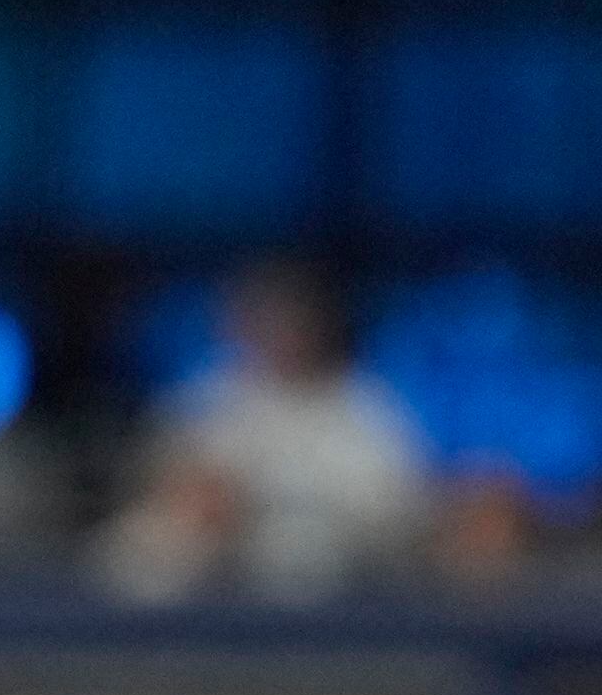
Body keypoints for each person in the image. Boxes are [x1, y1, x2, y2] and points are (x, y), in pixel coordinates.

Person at [95, 258, 433, 603]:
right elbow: (160, 471)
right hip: (214, 563)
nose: (277, 332)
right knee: (147, 543)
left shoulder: (363, 405)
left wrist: (252, 502)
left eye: (289, 320)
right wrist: (199, 495)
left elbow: (392, 509)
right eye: (264, 319)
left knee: (294, 549)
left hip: (336, 576)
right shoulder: (216, 392)